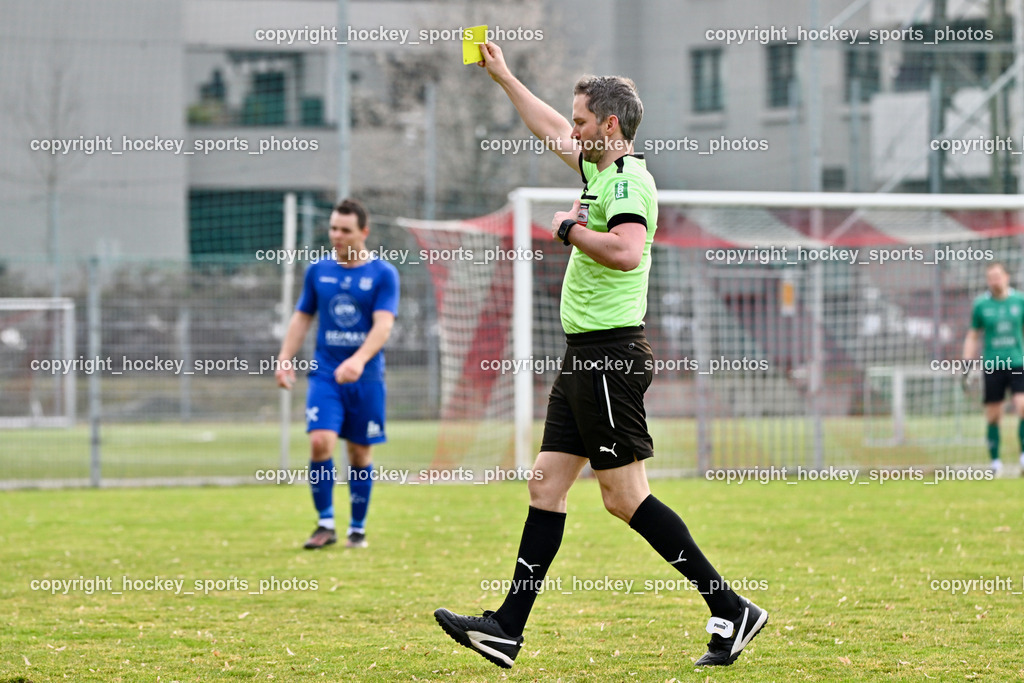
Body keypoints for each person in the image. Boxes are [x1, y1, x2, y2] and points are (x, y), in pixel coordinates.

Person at [434, 42, 767, 669]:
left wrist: (568, 231)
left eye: (584, 121)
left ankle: (729, 607)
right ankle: (507, 627)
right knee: (545, 485)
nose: (574, 130)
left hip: (610, 358)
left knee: (623, 496)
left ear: (609, 126)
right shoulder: (599, 171)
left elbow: (626, 252)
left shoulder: (627, 182)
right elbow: (553, 128)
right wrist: (504, 75)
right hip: (585, 357)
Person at [275, 198, 399, 549]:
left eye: (345, 230)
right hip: (326, 373)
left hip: (367, 376)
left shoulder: (383, 274)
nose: (337, 235)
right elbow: (302, 317)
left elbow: (384, 326)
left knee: (359, 454)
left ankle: (357, 527)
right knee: (320, 442)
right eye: (333, 228)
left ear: (364, 232)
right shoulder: (318, 271)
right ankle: (325, 523)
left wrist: (359, 360)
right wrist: (285, 357)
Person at [962, 261, 1024, 475]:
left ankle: (1023, 457)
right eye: (990, 278)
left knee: (1022, 405)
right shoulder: (981, 305)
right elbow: (973, 335)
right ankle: (995, 462)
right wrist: (967, 363)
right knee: (993, 415)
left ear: (1007, 276)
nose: (994, 281)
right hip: (993, 365)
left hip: (1017, 362)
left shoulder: (1020, 301)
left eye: (997, 276)